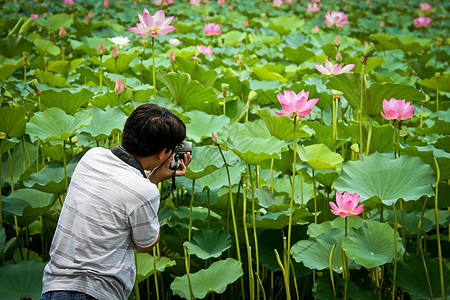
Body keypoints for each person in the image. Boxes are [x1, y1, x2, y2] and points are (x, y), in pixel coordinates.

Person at [42, 103, 192, 300]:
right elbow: (145, 244)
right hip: (96, 292)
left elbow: (120, 188)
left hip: (55, 285)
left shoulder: (92, 157)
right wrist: (153, 183)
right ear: (163, 153)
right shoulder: (144, 192)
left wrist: (152, 178)